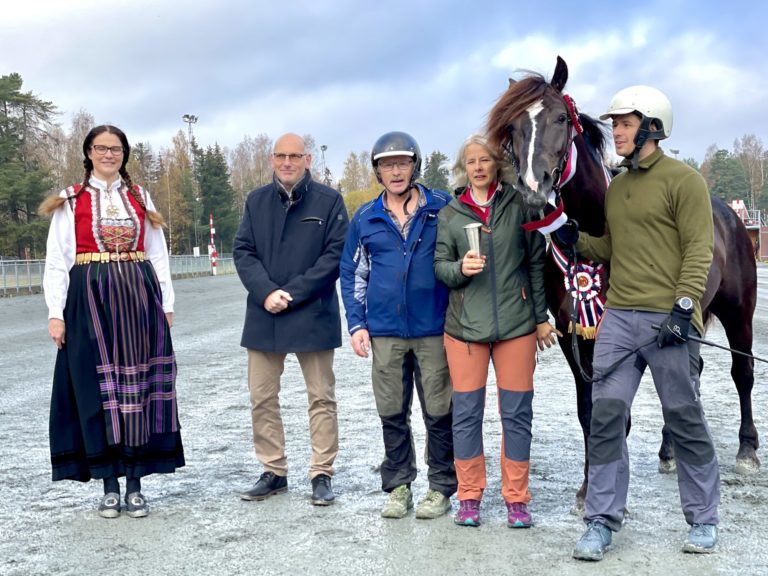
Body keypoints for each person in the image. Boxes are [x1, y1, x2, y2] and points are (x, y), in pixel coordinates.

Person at [558, 86, 720, 560]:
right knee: (606, 418)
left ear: (651, 125)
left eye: (625, 124)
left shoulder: (684, 180)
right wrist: (578, 242)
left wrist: (685, 308)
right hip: (619, 320)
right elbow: (614, 248)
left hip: (670, 320)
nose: (617, 132)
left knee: (684, 418)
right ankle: (602, 520)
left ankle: (704, 517)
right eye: (616, 124)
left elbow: (698, 250)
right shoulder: (619, 186)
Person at [40, 125, 184, 519]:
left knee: (136, 388)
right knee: (98, 391)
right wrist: (56, 312)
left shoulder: (139, 196)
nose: (108, 154)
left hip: (139, 300)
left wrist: (165, 302)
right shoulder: (71, 201)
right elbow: (57, 259)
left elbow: (157, 253)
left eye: (115, 149)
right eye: (101, 148)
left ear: (124, 154)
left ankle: (135, 482)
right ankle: (108, 484)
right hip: (89, 302)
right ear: (88, 152)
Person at [434, 134, 559, 528]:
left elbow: (536, 265)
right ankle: (469, 497)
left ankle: (517, 499)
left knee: (517, 414)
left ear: (498, 165)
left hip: (517, 327)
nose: (478, 167)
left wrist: (540, 318)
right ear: (463, 168)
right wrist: (459, 270)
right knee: (467, 415)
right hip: (464, 331)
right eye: (470, 161)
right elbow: (440, 266)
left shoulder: (521, 205)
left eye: (485, 160)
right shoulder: (451, 214)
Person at [340, 131, 457, 519]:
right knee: (391, 409)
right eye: (387, 165)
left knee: (439, 410)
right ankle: (399, 485)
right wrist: (357, 324)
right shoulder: (366, 218)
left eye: (402, 163)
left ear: (415, 165)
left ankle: (440, 486)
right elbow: (353, 272)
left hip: (433, 328)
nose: (395, 171)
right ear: (377, 171)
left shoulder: (442, 207)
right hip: (385, 331)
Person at [234, 133, 348, 506]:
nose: (287, 162)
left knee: (321, 398)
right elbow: (243, 251)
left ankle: (321, 473)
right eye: (281, 156)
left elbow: (335, 256)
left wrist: (293, 293)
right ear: (271, 159)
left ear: (308, 160)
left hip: (313, 312)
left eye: (294, 156)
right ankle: (274, 471)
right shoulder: (256, 201)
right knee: (262, 398)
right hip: (264, 313)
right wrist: (266, 292)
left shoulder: (329, 201)